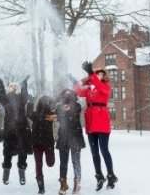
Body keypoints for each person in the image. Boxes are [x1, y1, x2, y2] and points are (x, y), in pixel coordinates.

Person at [74, 61, 118, 191]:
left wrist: (92, 74)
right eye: (96, 74)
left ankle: (111, 176)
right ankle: (99, 177)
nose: (98, 76)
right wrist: (74, 81)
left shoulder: (105, 87)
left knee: (104, 150)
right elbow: (78, 92)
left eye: (100, 74)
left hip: (102, 123)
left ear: (104, 77)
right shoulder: (89, 89)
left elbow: (99, 86)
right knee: (94, 153)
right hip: (91, 124)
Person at [0, 72, 33, 186]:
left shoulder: (22, 99)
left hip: (22, 129)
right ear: (9, 89)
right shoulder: (6, 100)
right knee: (8, 153)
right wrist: (0, 82)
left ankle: (22, 174)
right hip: (9, 130)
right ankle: (6, 174)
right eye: (11, 86)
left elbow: (25, 95)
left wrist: (24, 82)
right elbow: (1, 95)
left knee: (22, 153)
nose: (13, 87)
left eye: (16, 86)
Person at [48, 89, 85, 195]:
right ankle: (63, 184)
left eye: (70, 94)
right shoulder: (59, 107)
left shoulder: (77, 105)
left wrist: (61, 115)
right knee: (63, 163)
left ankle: (77, 183)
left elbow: (72, 115)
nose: (67, 96)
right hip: (63, 137)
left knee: (76, 161)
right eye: (65, 94)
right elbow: (54, 115)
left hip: (75, 137)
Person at [26, 95, 56, 194]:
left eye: (46, 102)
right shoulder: (35, 114)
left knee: (50, 163)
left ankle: (51, 158)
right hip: (36, 143)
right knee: (38, 165)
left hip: (48, 143)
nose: (44, 104)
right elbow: (28, 113)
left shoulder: (51, 114)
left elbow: (58, 115)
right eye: (42, 102)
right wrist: (30, 102)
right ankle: (41, 188)